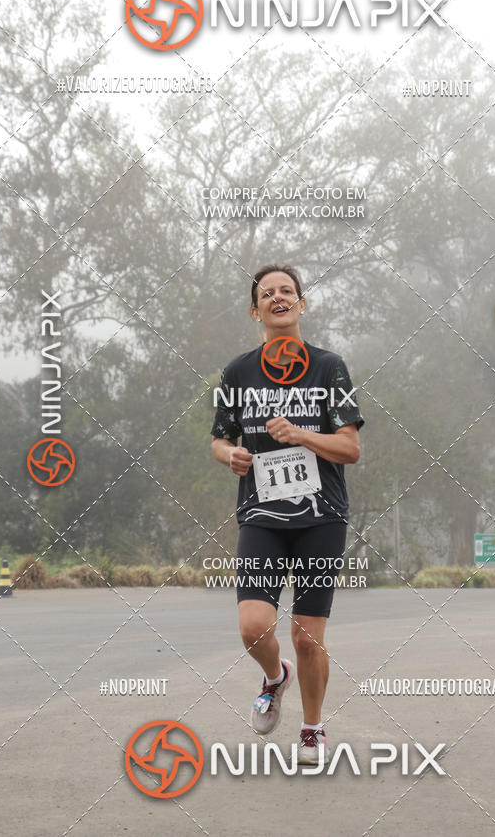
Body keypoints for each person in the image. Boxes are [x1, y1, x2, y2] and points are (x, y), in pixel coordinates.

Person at [210, 264, 364, 764]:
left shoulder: (329, 367)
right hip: (261, 514)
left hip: (322, 516)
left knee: (306, 636)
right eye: (267, 293)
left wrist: (299, 434)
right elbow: (219, 439)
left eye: (287, 291)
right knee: (253, 626)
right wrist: (229, 455)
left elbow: (349, 448)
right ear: (255, 311)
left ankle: (312, 729)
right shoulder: (237, 373)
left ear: (302, 303)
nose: (278, 297)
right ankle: (275, 678)